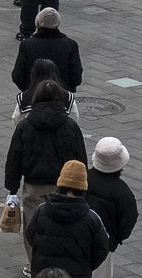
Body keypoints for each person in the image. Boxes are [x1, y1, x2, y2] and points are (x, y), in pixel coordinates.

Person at [25, 160, 110, 278]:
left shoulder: (42, 211)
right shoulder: (92, 218)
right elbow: (101, 249)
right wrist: (85, 267)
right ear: (84, 188)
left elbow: (31, 237)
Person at [5, 83, 84, 257]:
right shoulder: (70, 126)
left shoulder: (25, 126)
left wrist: (12, 187)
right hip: (62, 186)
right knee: (60, 225)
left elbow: (14, 158)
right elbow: (80, 158)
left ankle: (35, 264)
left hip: (33, 185)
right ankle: (57, 258)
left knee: (33, 227)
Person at [83, 137, 137, 278]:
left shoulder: (84, 178)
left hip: (79, 238)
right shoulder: (122, 192)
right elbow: (128, 221)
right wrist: (116, 239)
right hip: (104, 245)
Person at [11, 7, 81, 97]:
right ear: (58, 23)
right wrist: (67, 89)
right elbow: (76, 75)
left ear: (38, 23)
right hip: (62, 96)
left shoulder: (27, 45)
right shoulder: (71, 45)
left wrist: (28, 89)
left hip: (33, 95)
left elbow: (18, 74)